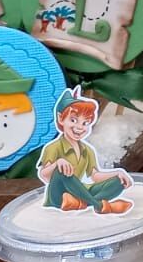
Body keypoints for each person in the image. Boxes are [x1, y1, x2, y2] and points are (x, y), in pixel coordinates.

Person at [36, 87, 133, 215]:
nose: (79, 127)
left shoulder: (87, 150)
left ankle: (79, 203)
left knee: (118, 182)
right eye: (73, 120)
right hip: (59, 194)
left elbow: (95, 176)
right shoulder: (54, 147)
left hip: (80, 191)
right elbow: (44, 175)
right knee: (61, 171)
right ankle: (100, 206)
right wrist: (57, 164)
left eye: (85, 123)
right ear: (60, 119)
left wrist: (117, 173)